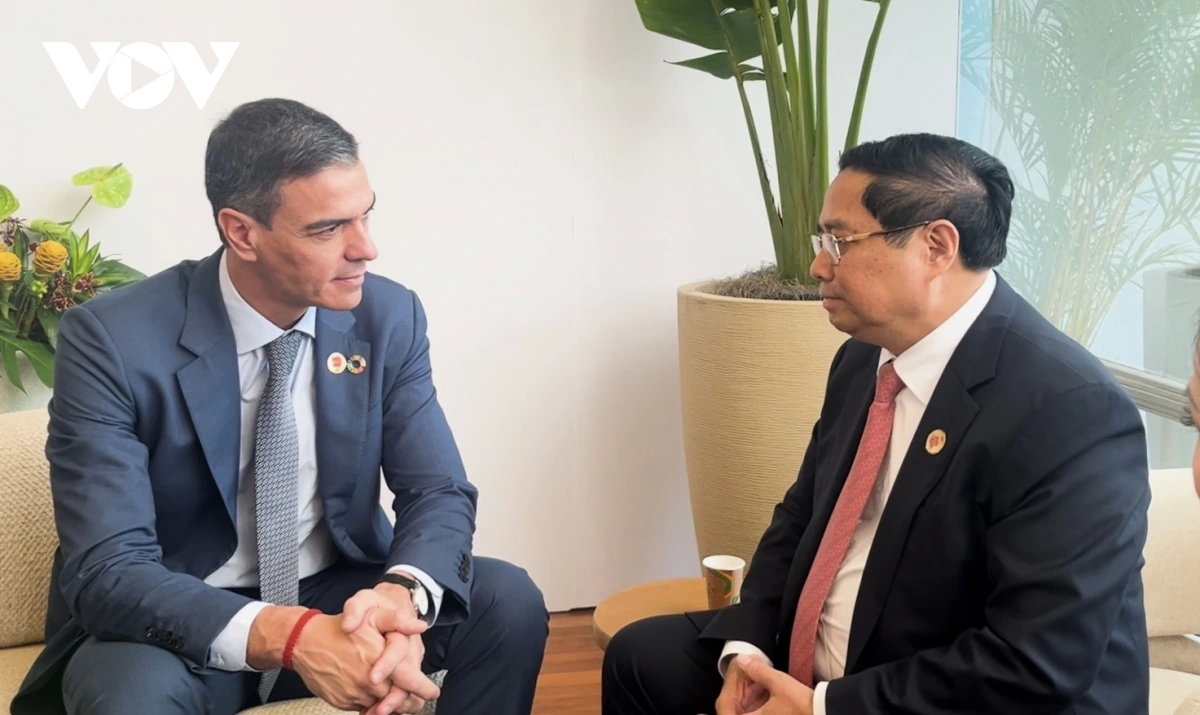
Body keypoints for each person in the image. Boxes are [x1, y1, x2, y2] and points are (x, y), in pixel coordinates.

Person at [11, 98, 549, 715]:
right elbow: (109, 568)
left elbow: (438, 490)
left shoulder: (388, 316)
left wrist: (400, 598)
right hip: (181, 620)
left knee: (506, 601)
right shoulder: (112, 338)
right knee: (131, 696)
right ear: (241, 232)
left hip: (334, 596)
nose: (365, 249)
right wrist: (292, 637)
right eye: (328, 229)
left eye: (365, 216)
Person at [602, 133, 1151, 714]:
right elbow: (801, 516)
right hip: (834, 650)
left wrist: (823, 707)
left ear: (936, 247)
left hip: (950, 686)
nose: (817, 266)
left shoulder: (1070, 410)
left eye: (839, 242)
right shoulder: (865, 357)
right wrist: (750, 650)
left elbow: (1036, 661)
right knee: (642, 659)